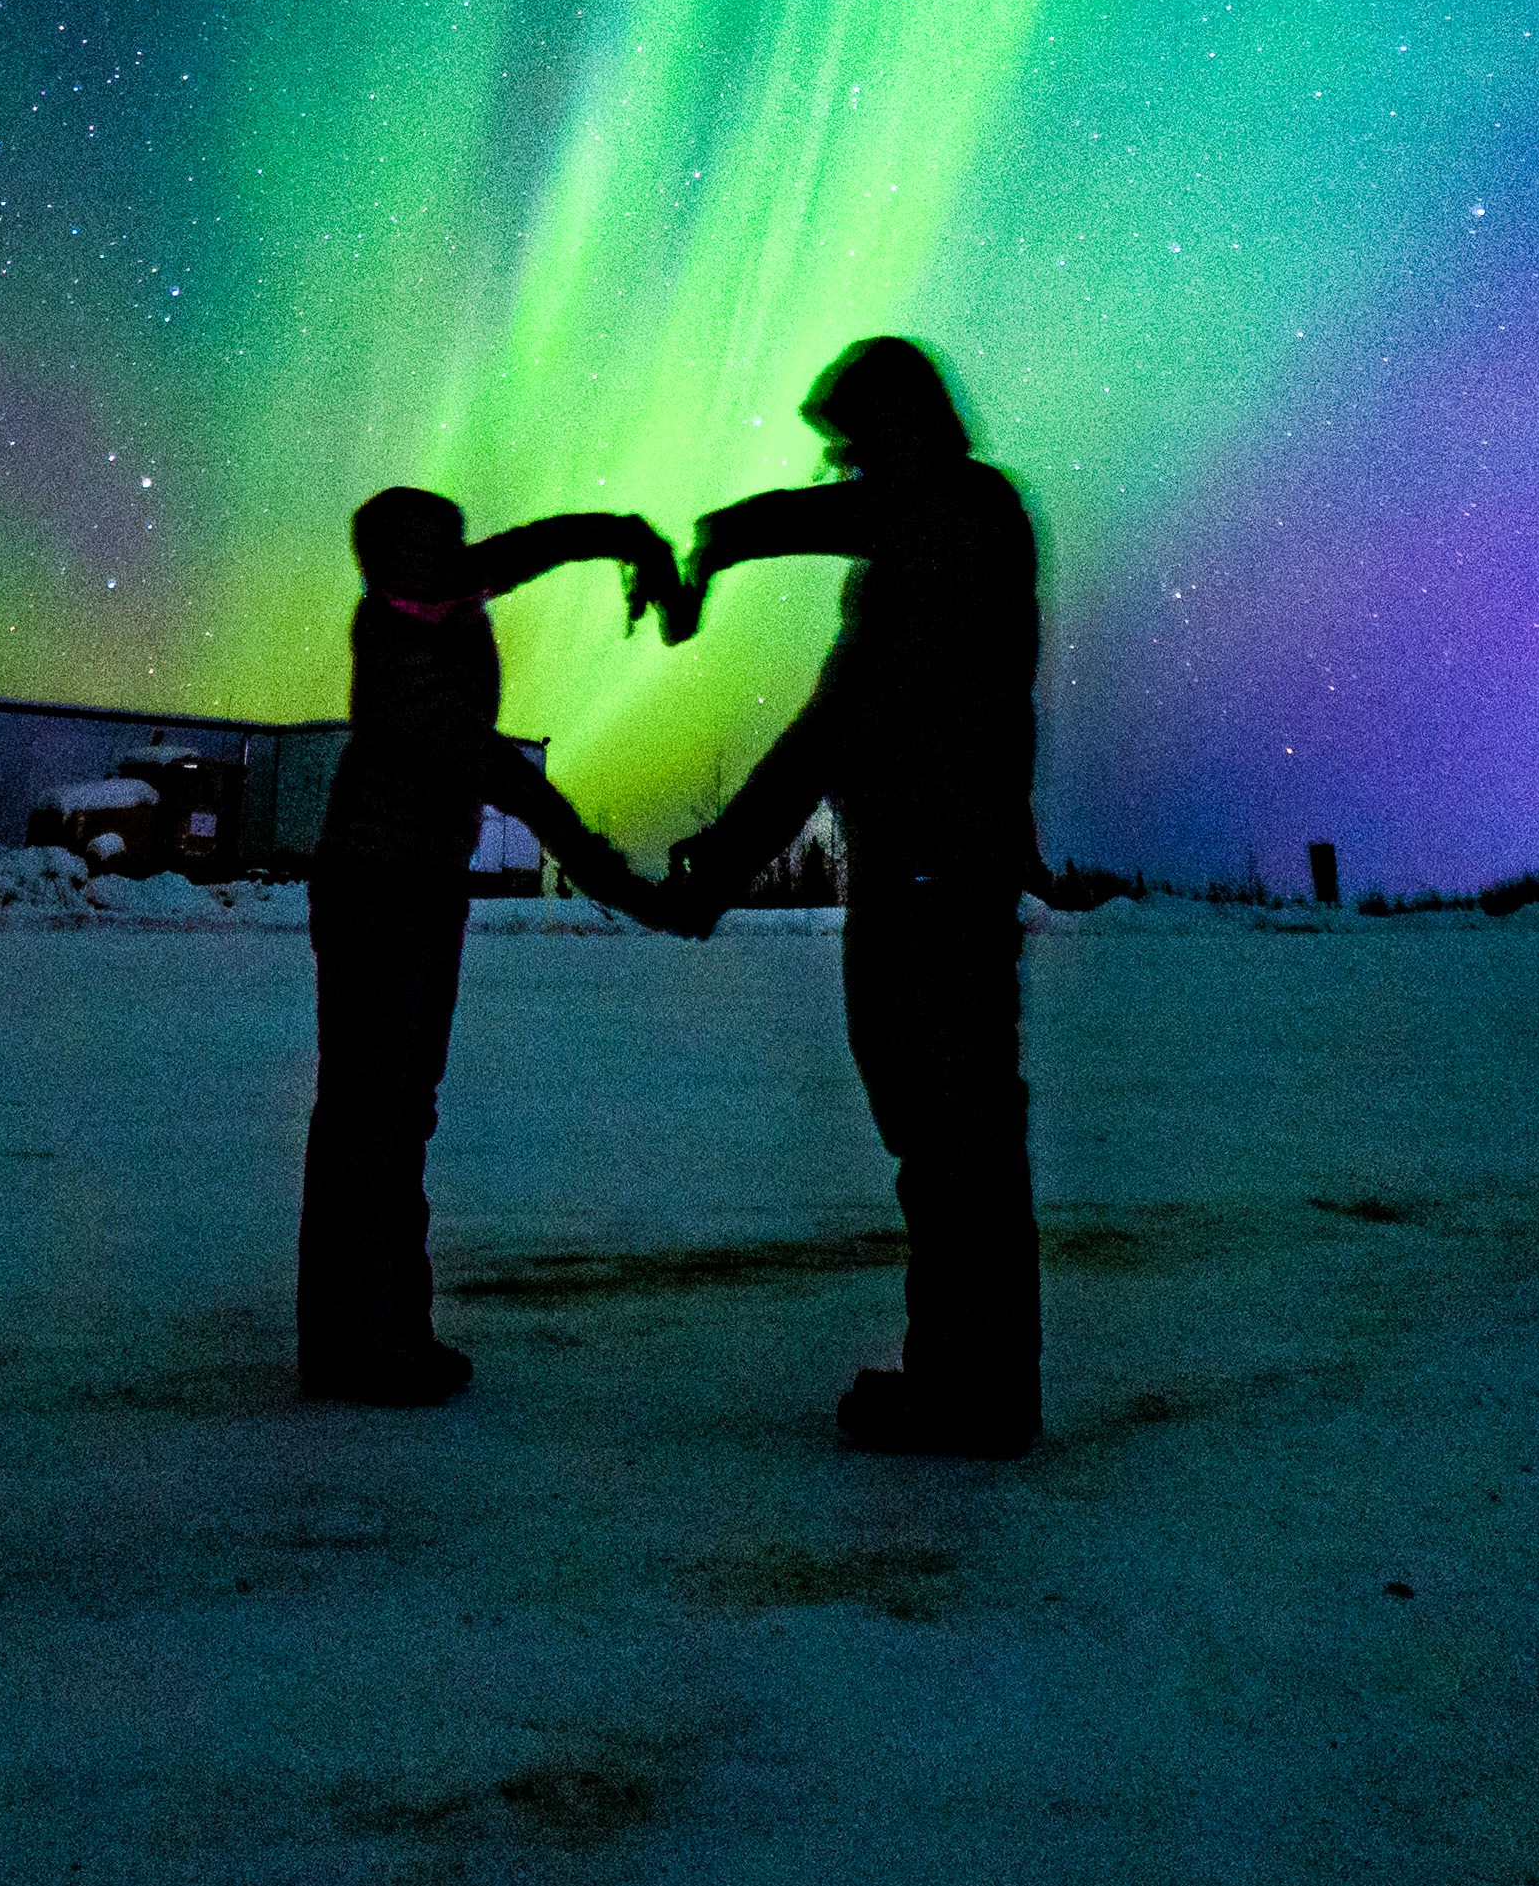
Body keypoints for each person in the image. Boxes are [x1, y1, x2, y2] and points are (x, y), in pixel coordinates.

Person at [656, 335, 1047, 1456]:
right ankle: (961, 1379)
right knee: (936, 1130)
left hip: (937, 876)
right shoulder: (915, 559)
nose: (841, 474)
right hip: (918, 868)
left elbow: (838, 727)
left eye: (851, 449)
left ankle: (972, 1396)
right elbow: (832, 728)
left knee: (953, 1129)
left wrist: (732, 533)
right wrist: (728, 858)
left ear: (902, 434)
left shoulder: (962, 520)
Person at [297, 486, 687, 1406]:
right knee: (371, 1118)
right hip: (374, 889)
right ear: (385, 567)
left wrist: (632, 535)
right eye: (421, 559)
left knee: (398, 1113)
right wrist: (613, 877)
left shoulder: (452, 589)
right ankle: (360, 1346)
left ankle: (384, 1330)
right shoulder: (397, 653)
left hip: (424, 886)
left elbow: (548, 537)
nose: (446, 572)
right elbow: (499, 771)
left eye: (451, 552)